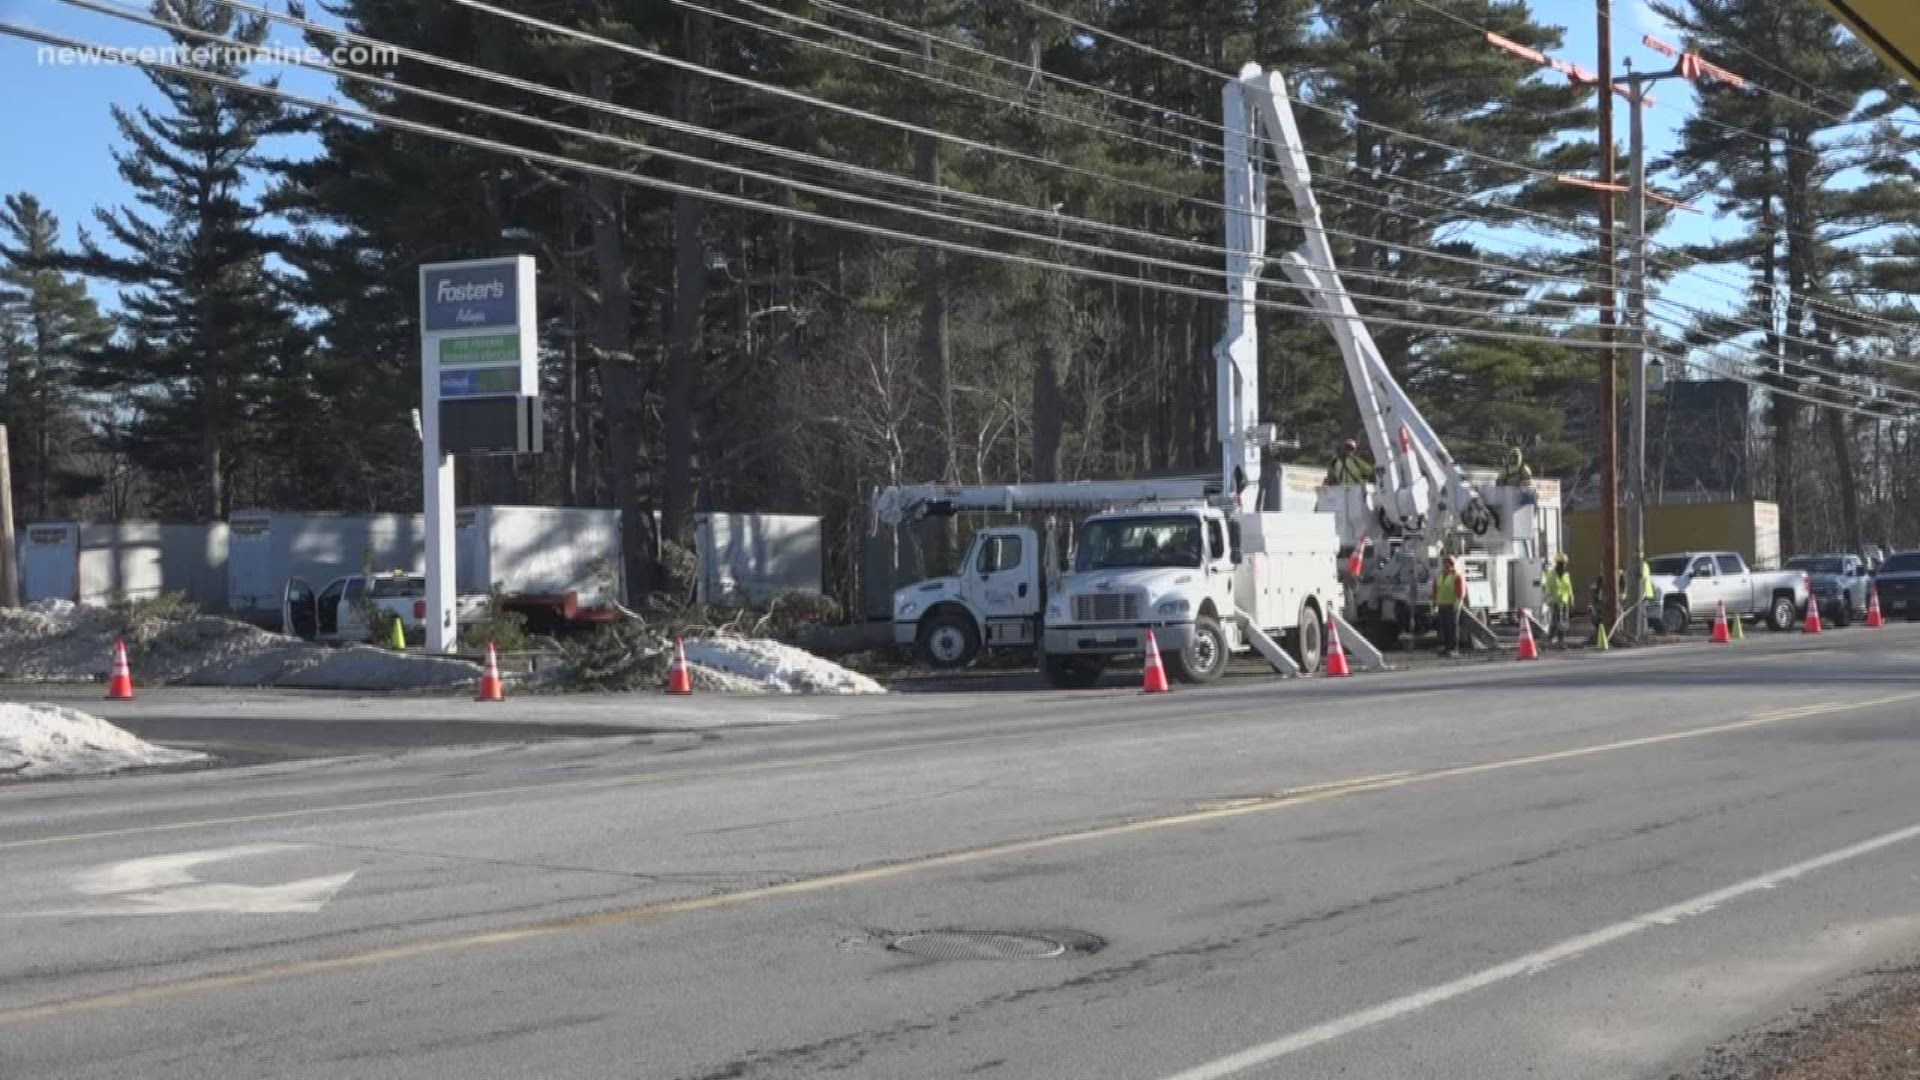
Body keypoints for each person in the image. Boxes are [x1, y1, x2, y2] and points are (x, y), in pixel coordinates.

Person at [1433, 555, 1465, 657]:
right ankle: (1447, 648)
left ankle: (1454, 649)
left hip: (1452, 605)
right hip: (1442, 605)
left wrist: (1458, 603)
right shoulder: (1440, 576)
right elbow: (1435, 590)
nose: (1446, 565)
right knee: (1444, 628)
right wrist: (1434, 604)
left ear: (1452, 564)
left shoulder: (1457, 575)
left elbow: (1460, 592)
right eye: (1445, 563)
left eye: (1448, 563)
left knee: (1452, 627)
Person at [1544, 552, 1574, 645]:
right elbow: (1548, 588)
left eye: (1564, 564)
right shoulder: (1551, 574)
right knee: (1555, 621)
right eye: (1561, 564)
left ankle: (1561, 640)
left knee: (1563, 621)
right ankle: (1550, 638)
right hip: (1555, 601)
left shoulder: (1566, 575)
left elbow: (1569, 587)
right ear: (1557, 564)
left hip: (1564, 601)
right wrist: (1550, 601)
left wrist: (1571, 599)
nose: (1563, 566)